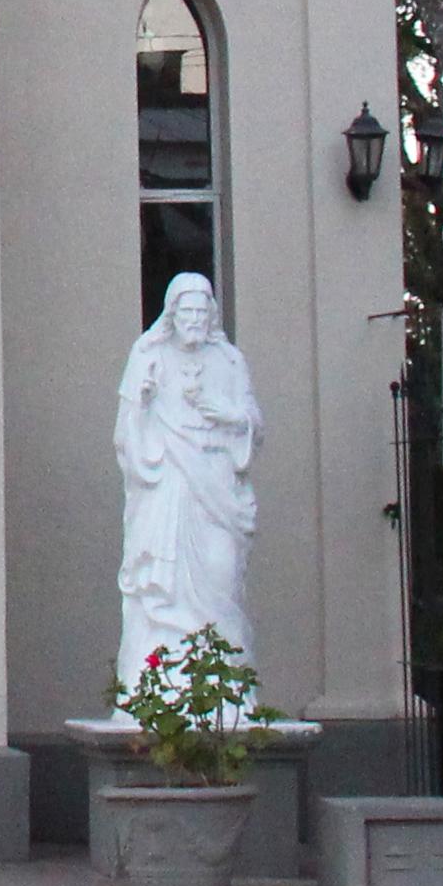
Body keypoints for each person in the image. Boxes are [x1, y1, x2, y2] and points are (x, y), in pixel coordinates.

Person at [113, 272, 263, 699]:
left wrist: (229, 416)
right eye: (187, 311)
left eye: (202, 310)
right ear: (172, 313)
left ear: (212, 314)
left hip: (217, 486)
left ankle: (225, 682)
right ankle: (161, 683)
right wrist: (141, 405)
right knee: (165, 583)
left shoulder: (230, 361)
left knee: (222, 574)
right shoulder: (147, 355)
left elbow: (255, 424)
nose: (195, 318)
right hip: (168, 489)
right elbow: (124, 436)